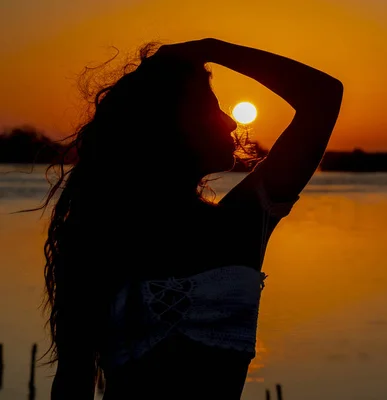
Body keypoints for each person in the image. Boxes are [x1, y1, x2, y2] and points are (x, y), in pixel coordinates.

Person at [41, 38, 343, 399]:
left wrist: (210, 47)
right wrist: (208, 49)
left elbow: (323, 95)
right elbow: (73, 377)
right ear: (170, 125)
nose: (231, 121)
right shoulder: (103, 234)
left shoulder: (242, 220)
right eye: (212, 108)